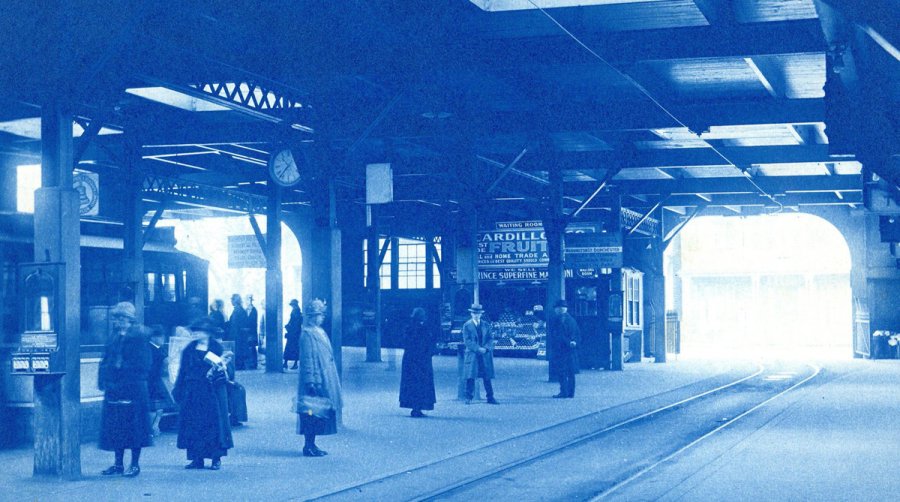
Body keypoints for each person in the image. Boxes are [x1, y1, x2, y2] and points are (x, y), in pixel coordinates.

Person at [98, 302, 153, 478]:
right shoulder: (114, 336)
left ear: (129, 319)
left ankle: (135, 464)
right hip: (115, 388)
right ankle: (118, 464)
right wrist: (104, 379)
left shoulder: (139, 337)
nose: (117, 321)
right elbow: (105, 359)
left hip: (133, 388)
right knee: (116, 426)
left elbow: (144, 364)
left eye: (121, 318)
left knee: (134, 427)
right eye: (116, 318)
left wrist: (123, 372)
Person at [173, 318, 233, 470]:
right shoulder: (189, 349)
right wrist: (178, 388)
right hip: (193, 390)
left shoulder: (216, 348)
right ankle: (196, 458)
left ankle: (215, 458)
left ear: (207, 333)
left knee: (214, 424)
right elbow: (183, 370)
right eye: (194, 331)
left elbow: (226, 371)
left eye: (199, 331)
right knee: (194, 424)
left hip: (212, 391)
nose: (195, 334)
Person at [295, 299, 342, 457]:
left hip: (323, 375)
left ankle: (312, 444)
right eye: (320, 314)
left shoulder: (318, 331)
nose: (322, 317)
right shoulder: (308, 334)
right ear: (313, 316)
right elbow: (308, 359)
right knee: (311, 412)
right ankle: (308, 445)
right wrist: (312, 380)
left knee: (316, 412)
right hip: (315, 379)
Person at [400, 307, 437, 417]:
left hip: (410, 360)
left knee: (411, 383)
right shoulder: (424, 329)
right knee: (422, 383)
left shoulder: (408, 328)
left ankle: (414, 406)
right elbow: (428, 343)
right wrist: (431, 351)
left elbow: (405, 342)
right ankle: (418, 407)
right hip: (422, 361)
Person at [462, 303, 498, 405]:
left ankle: (490, 397)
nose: (476, 315)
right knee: (471, 376)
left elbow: (491, 338)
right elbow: (467, 341)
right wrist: (478, 349)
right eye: (474, 313)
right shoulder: (467, 325)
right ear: (471, 314)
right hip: (473, 354)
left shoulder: (486, 325)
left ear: (481, 314)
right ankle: (468, 397)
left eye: (478, 313)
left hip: (485, 354)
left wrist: (486, 348)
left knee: (487, 376)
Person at [549, 300, 581, 398]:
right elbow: (577, 334)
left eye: (556, 308)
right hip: (571, 350)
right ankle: (571, 393)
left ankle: (564, 392)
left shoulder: (558, 320)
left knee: (562, 371)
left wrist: (568, 342)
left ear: (559, 308)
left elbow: (558, 335)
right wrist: (574, 342)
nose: (555, 310)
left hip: (562, 350)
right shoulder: (572, 319)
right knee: (571, 372)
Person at [148, 325, 175, 437]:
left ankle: (155, 426)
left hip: (157, 380)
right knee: (154, 406)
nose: (163, 339)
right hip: (152, 381)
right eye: (161, 337)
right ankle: (151, 428)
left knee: (159, 406)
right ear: (154, 337)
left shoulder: (159, 348)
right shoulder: (150, 348)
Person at [221, 351, 249, 426]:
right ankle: (234, 417)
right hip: (219, 383)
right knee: (237, 390)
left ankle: (235, 416)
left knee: (239, 389)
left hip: (224, 382)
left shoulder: (229, 364)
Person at [227, 294, 249, 370]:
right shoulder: (239, 310)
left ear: (235, 300)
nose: (231, 302)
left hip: (237, 335)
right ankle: (240, 365)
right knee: (239, 350)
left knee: (238, 350)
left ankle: (239, 365)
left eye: (232, 300)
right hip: (238, 334)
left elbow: (236, 324)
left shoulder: (238, 310)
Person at [283, 299, 302, 370]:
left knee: (290, 348)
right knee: (294, 348)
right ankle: (292, 363)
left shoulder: (295, 312)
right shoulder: (297, 312)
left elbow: (293, 323)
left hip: (293, 333)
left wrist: (288, 326)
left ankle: (287, 363)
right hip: (295, 333)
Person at [246, 295, 259, 370]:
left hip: (252, 332)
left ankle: (254, 363)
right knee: (250, 347)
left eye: (249, 300)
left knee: (252, 347)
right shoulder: (246, 310)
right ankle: (251, 363)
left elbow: (253, 322)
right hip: (248, 333)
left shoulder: (254, 310)